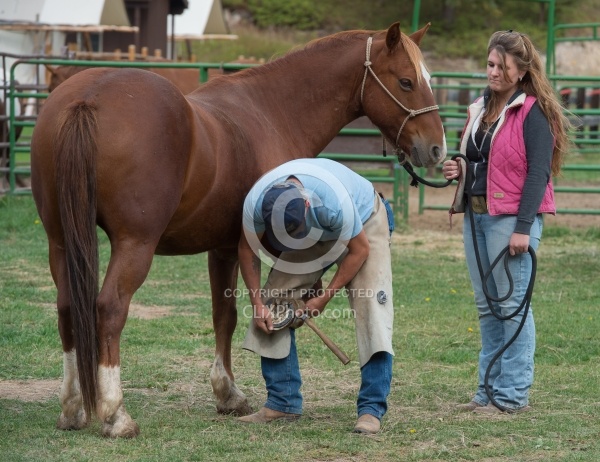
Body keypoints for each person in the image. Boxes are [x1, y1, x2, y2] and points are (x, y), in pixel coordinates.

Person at [442, 30, 572, 414]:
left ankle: (512, 395)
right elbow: (481, 159)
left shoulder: (532, 112)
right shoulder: (479, 108)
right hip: (476, 215)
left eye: (501, 66)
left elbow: (537, 174)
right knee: (487, 307)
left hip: (511, 219)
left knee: (512, 306)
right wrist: (458, 166)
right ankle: (487, 391)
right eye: (490, 64)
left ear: (520, 72)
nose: (493, 71)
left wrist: (522, 228)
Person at [237, 158, 395, 434]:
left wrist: (324, 298)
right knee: (274, 301)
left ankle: (371, 409)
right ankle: (282, 402)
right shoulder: (256, 202)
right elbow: (247, 250)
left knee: (373, 306)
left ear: (306, 203)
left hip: (364, 222)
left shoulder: (335, 203)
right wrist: (257, 304)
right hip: (316, 228)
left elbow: (359, 250)